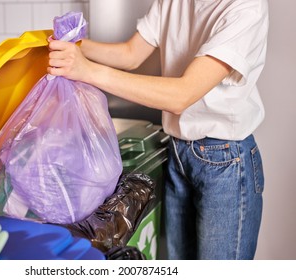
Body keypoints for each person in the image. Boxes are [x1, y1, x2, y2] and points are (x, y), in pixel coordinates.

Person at [47, 0, 269, 260]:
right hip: (177, 151)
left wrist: (86, 70)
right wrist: (71, 45)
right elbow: (131, 54)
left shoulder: (246, 8)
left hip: (225, 162)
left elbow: (182, 95)